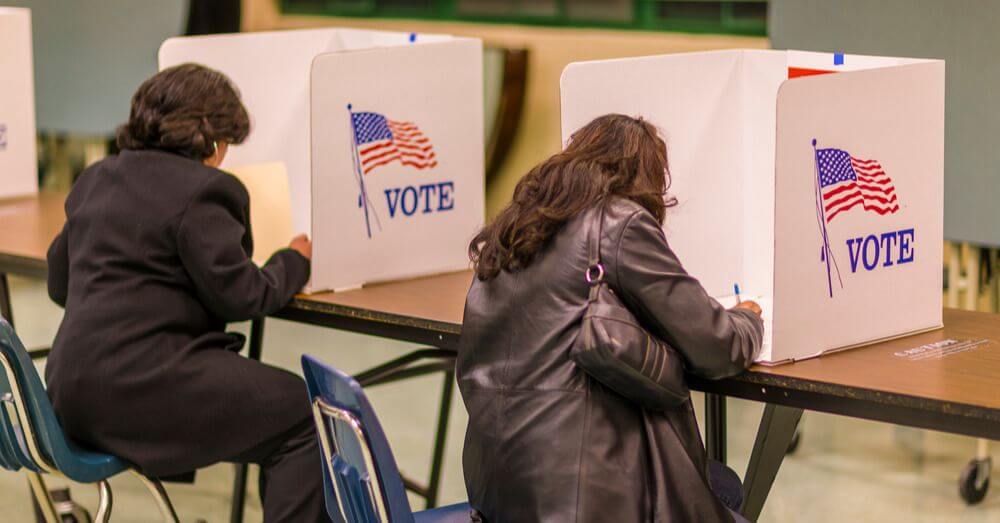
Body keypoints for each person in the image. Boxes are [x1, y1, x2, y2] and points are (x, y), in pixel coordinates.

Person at [45, 64, 325, 522]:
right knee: (305, 416)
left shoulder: (95, 179)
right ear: (211, 141)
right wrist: (295, 258)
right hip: (141, 392)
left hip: (69, 398)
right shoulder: (207, 189)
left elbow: (61, 284)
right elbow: (243, 296)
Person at [457, 114, 764, 522]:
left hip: (497, 490)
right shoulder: (618, 221)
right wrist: (749, 320)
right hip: (580, 498)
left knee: (720, 483)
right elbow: (715, 344)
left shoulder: (510, 232)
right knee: (720, 491)